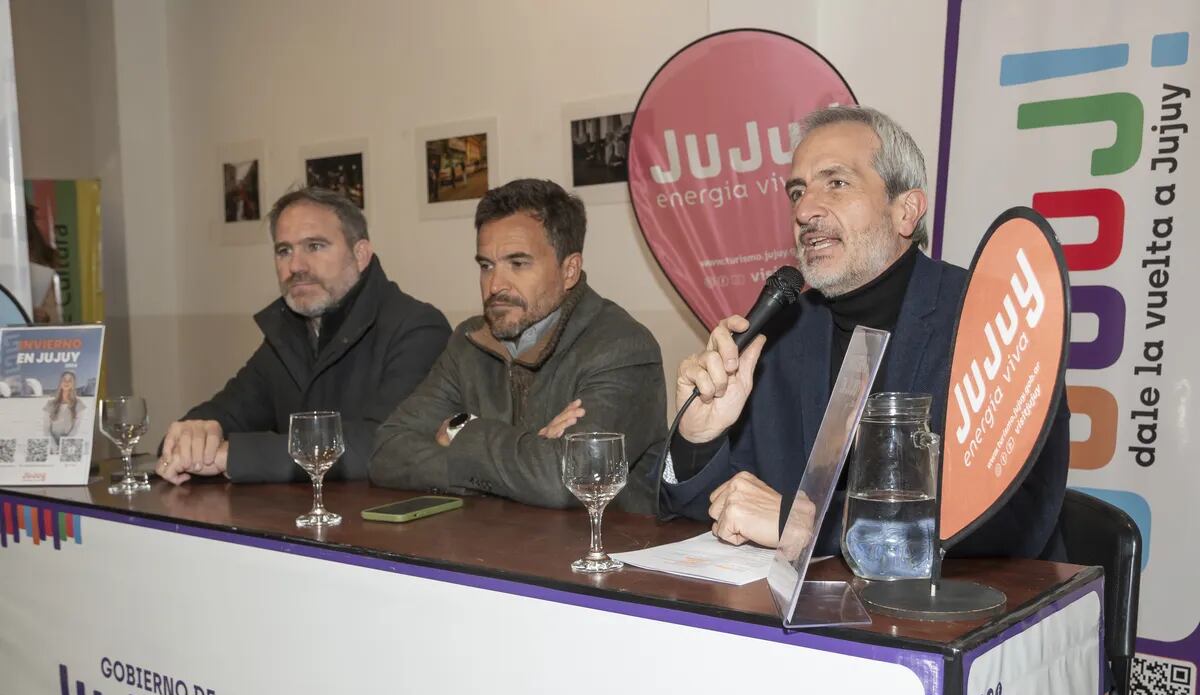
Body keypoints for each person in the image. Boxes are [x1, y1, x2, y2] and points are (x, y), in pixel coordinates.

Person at [661, 105, 1070, 559]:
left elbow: (1010, 521)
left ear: (906, 211)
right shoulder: (781, 333)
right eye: (797, 191)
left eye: (836, 183)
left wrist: (809, 525)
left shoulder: (993, 317)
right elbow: (719, 512)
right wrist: (699, 441)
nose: (805, 210)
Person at [369, 178, 665, 512]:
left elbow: (565, 482)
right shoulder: (468, 342)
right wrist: (529, 457)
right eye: (486, 265)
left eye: (518, 263)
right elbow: (386, 452)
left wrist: (462, 430)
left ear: (569, 270)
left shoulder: (622, 347)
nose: (495, 284)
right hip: (493, 546)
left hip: (604, 554)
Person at [157, 187, 451, 484]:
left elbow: (385, 445)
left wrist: (234, 456)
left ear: (360, 255)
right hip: (299, 522)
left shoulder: (418, 328)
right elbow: (230, 410)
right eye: (284, 251)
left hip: (386, 524)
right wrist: (195, 433)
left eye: (315, 246)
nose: (296, 266)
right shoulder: (290, 332)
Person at [44, 371, 84, 449]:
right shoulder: (50, 404)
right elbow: (46, 429)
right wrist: (53, 445)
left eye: (70, 380)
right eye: (64, 380)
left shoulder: (78, 404)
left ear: (73, 384)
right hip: (52, 444)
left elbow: (76, 428)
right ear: (60, 383)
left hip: (69, 445)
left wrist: (64, 445)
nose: (66, 382)